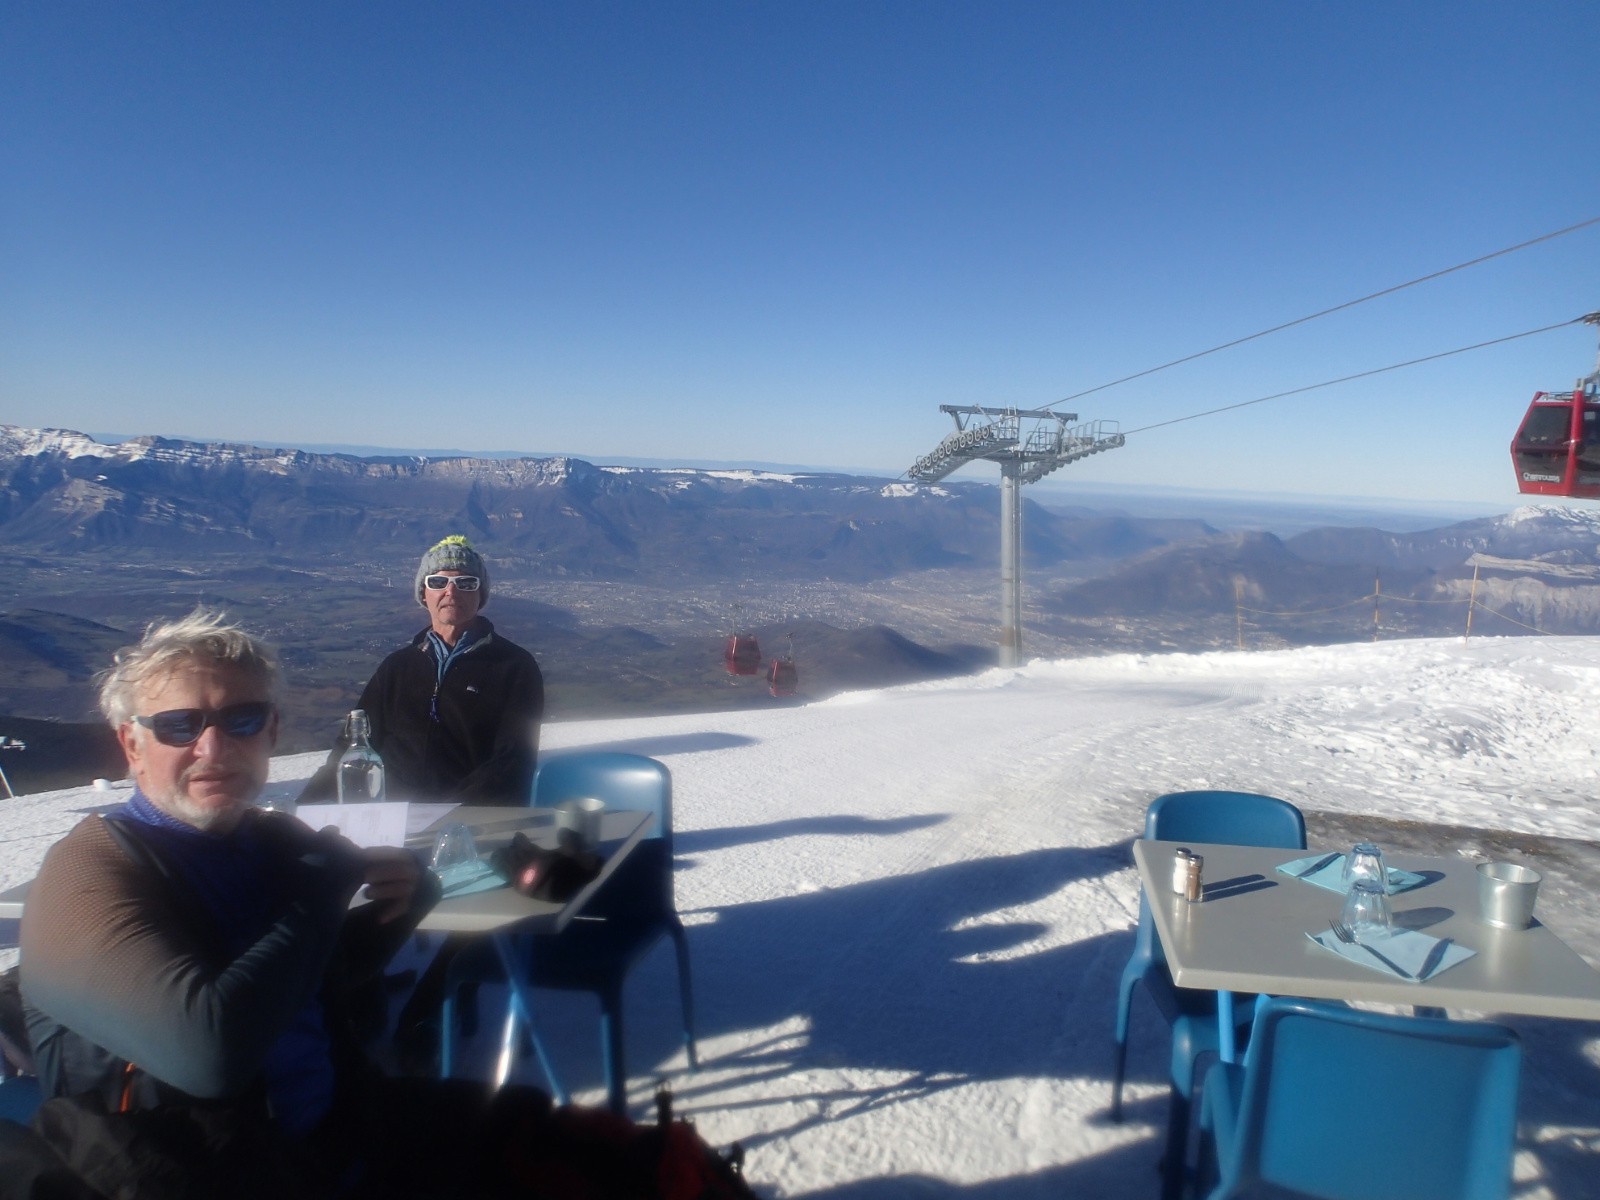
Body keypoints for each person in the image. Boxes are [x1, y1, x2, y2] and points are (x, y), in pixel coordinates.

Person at [8, 610, 550, 1199]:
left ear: (270, 733)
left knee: (545, 1137)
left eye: (241, 719)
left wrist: (400, 912)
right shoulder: (90, 870)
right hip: (182, 1168)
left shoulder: (270, 843)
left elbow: (299, 983)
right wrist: (318, 895)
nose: (212, 747)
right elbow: (209, 1055)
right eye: (178, 725)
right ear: (132, 744)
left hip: (324, 1141)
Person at [301, 535, 543, 806]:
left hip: (472, 821)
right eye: (438, 582)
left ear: (480, 595)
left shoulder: (514, 667)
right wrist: (303, 810)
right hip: (391, 819)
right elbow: (351, 747)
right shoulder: (397, 668)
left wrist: (452, 815)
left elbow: (512, 761)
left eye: (465, 583)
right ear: (423, 594)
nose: (451, 592)